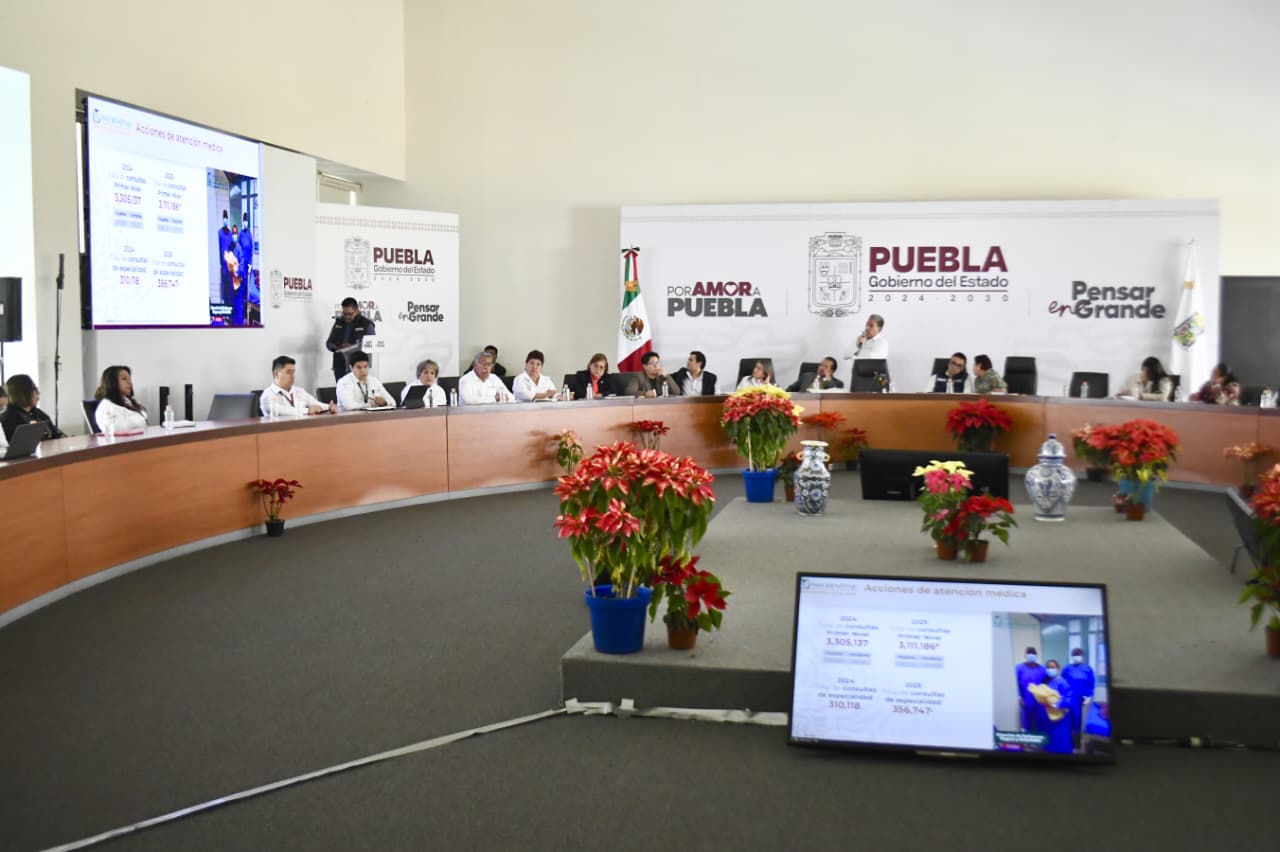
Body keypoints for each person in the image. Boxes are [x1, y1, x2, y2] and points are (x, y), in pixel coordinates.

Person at [259, 355, 336, 417]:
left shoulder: (299, 391)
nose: (292, 376)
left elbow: (316, 404)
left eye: (293, 372)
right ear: (276, 374)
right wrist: (307, 410)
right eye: (289, 372)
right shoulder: (267, 395)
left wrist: (329, 407)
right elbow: (281, 411)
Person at [1, 374, 65, 442]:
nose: (38, 394)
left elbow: (56, 434)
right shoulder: (7, 419)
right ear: (24, 394)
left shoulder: (39, 413)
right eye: (35, 390)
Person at [325, 298, 375, 383]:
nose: (347, 316)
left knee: (358, 390)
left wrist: (352, 348)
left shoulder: (366, 324)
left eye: (350, 314)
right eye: (345, 314)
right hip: (340, 365)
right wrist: (336, 347)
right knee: (342, 389)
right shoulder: (338, 322)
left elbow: (371, 345)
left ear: (357, 310)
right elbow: (329, 343)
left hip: (358, 366)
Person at [1034, 660, 1075, 754]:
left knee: (1060, 737)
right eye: (1048, 667)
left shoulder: (1063, 682)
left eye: (1052, 667)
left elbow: (1068, 699)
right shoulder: (1046, 681)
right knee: (1050, 737)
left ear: (1058, 669)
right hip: (1048, 715)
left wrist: (1055, 705)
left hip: (1060, 716)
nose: (1050, 669)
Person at [93, 365, 148, 433]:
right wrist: (138, 421)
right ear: (112, 382)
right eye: (124, 379)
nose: (129, 382)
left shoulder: (129, 402)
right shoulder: (106, 406)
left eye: (129, 379)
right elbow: (115, 428)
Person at [1061, 648, 1096, 746]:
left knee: (1078, 720)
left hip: (1081, 698)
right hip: (1068, 698)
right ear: (1072, 656)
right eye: (1075, 654)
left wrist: (1088, 696)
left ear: (1082, 656)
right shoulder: (1067, 669)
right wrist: (1063, 696)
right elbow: (1062, 683)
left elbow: (1091, 683)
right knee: (1067, 719)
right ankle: (1066, 742)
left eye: (1078, 654)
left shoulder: (1088, 669)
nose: (1077, 657)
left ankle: (1076, 742)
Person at [1015, 646, 1045, 733]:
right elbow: (1015, 684)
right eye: (1029, 653)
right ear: (1025, 655)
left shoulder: (1042, 669)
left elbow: (1046, 684)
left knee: (1039, 722)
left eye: (1033, 653)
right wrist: (1019, 696)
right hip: (1025, 700)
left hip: (1039, 700)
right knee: (1026, 723)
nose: (1031, 655)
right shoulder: (1019, 668)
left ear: (1036, 655)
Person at [217, 210, 233, 308]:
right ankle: (223, 303)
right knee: (223, 284)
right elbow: (218, 248)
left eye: (226, 219)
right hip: (222, 264)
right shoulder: (219, 233)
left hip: (229, 264)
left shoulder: (230, 234)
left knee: (229, 286)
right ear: (222, 219)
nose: (225, 220)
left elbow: (232, 249)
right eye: (224, 219)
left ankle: (229, 305)